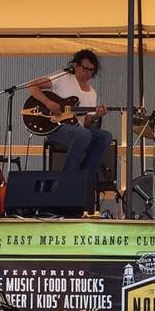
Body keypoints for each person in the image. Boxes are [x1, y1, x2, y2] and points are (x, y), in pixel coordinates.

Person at [27, 49, 112, 201]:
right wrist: (48, 103)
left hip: (78, 131)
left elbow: (86, 123)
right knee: (83, 135)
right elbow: (32, 86)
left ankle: (85, 180)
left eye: (91, 71)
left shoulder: (92, 93)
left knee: (105, 136)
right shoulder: (63, 78)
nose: (88, 73)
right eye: (85, 69)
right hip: (54, 127)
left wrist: (96, 116)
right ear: (76, 66)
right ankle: (66, 181)